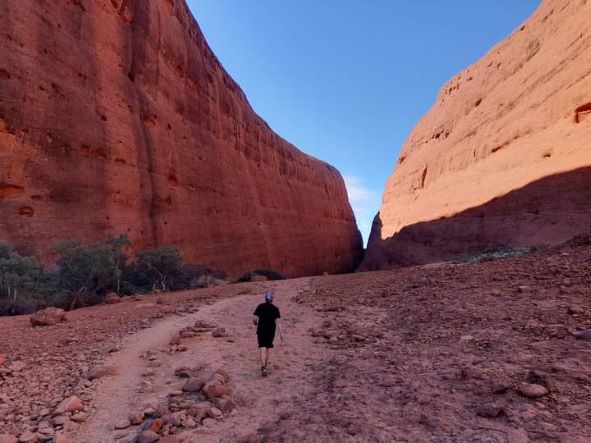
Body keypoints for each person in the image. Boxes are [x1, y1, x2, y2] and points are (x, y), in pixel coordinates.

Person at [253, 290, 283, 377]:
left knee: (262, 347)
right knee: (267, 348)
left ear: (265, 298)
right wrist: (281, 333)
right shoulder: (275, 309)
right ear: (272, 299)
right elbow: (278, 322)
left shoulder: (260, 306)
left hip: (261, 330)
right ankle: (265, 366)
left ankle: (263, 367)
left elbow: (254, 318)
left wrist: (255, 323)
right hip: (271, 331)